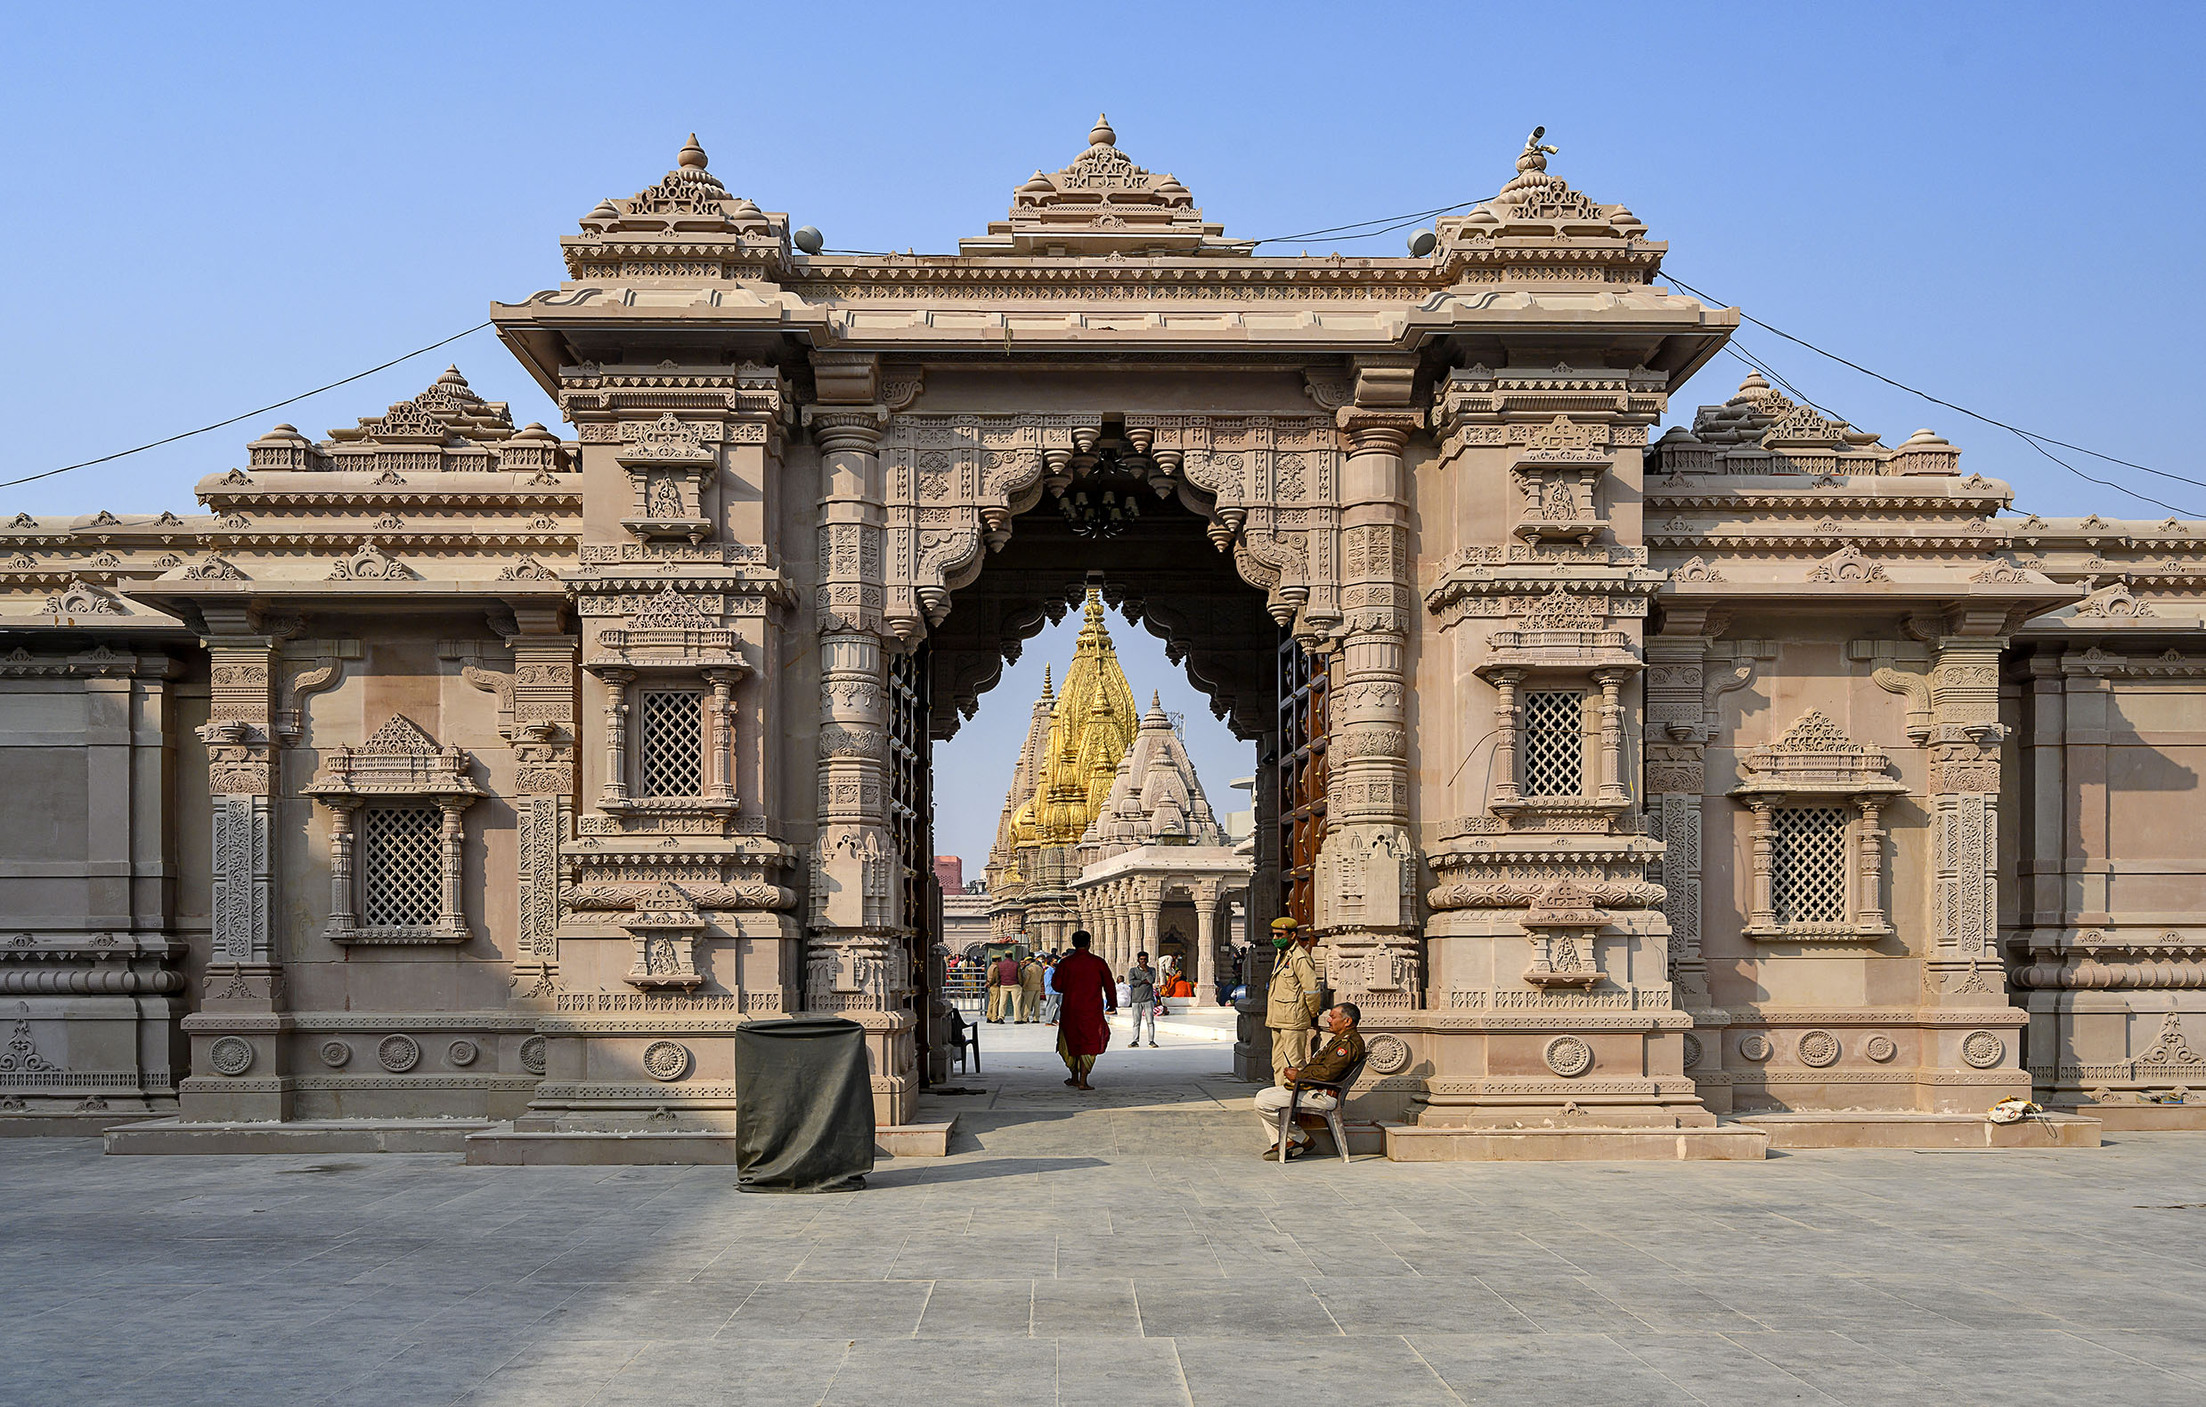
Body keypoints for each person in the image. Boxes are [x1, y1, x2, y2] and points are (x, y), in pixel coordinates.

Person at [1254, 1003, 1364, 1160]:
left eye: (1333, 1017)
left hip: (1323, 1095)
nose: (1328, 1020)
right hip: (1314, 1089)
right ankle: (1285, 1143)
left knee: (1263, 1102)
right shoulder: (1339, 1040)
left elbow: (1328, 1073)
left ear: (1347, 1021)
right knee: (1262, 1095)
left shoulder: (1347, 1044)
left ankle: (1301, 1139)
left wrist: (1299, 1075)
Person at [1051, 930, 1116, 1090]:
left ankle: (1074, 1076)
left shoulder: (1065, 963)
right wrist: (1112, 1003)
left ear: (1073, 944)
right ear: (1089, 943)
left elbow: (1056, 986)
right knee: (1089, 1042)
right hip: (1091, 1010)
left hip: (1070, 1010)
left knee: (1071, 1041)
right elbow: (1109, 984)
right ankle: (1083, 1081)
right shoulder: (1098, 962)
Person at [1264, 917, 1323, 1085]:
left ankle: (1292, 1102)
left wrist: (1311, 1013)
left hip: (1293, 1020)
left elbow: (1311, 990)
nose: (1275, 939)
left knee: (1293, 1064)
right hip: (1277, 1020)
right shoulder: (1281, 956)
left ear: (1292, 935)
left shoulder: (1299, 958)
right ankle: (1280, 1098)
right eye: (1273, 935)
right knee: (1277, 1064)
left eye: (1279, 935)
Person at [1126, 952, 1160, 1047]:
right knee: (1136, 1022)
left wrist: (1146, 971)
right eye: (1141, 959)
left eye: (1145, 959)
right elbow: (1132, 982)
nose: (1143, 961)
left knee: (1150, 1021)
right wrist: (1143, 981)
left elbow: (1151, 980)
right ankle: (1135, 1040)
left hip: (1148, 999)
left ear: (1147, 960)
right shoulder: (1133, 970)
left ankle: (1151, 1041)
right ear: (1138, 960)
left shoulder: (1151, 970)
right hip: (1136, 999)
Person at [987, 949, 1021, 1023]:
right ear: (1012, 956)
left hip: (1004, 985)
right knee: (1016, 1003)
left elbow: (997, 975)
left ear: (1005, 956)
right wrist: (1020, 984)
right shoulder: (1016, 964)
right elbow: (1019, 976)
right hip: (1014, 985)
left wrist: (999, 983)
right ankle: (1017, 1019)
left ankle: (1001, 1018)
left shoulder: (1000, 965)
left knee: (1002, 1003)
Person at [1017, 952, 1045, 1024]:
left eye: (1026, 961)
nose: (1025, 963)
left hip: (1029, 987)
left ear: (1029, 961)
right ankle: (1036, 1018)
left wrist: (1024, 986)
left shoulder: (1028, 968)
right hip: (1037, 987)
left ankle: (1025, 1018)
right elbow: (1042, 978)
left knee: (1027, 1003)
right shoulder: (1040, 968)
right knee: (1036, 1004)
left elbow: (1027, 978)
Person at [1040, 955, 1061, 1024]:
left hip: (1057, 991)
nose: (1056, 963)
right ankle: (1048, 1021)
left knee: (1060, 1005)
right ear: (1050, 962)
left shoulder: (1055, 970)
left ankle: (1055, 1018)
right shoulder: (1049, 971)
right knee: (1050, 1006)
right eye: (1054, 961)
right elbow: (1048, 982)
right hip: (1051, 991)